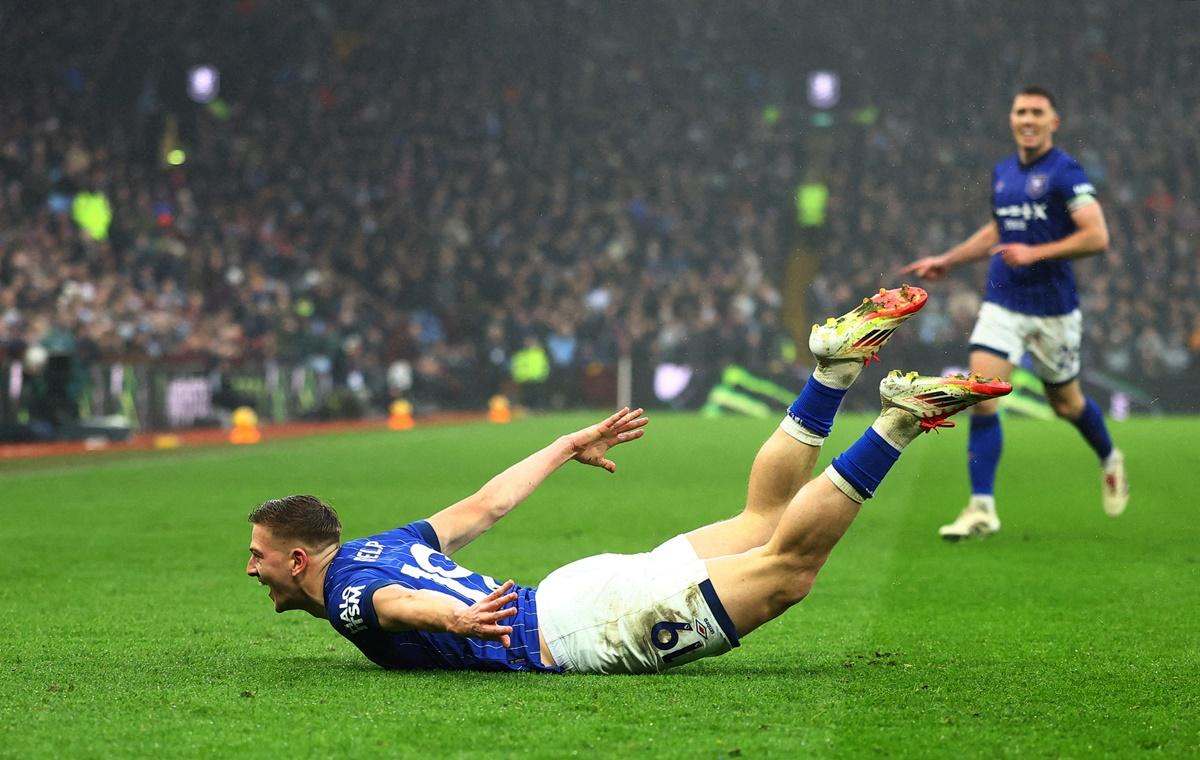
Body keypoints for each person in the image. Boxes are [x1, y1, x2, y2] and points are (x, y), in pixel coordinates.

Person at [246, 286, 1012, 674]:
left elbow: (387, 604)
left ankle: (898, 422)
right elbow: (487, 506)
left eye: (260, 553)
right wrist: (564, 443)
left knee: (788, 572)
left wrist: (449, 621)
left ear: (301, 557)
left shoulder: (344, 589)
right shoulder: (386, 542)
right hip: (575, 590)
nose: (252, 567)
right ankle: (833, 369)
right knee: (761, 522)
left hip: (576, 634)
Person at [901, 85, 1129, 540]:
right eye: (1020, 111)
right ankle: (981, 508)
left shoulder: (1065, 172)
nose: (1027, 119)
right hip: (1003, 301)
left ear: (1053, 122)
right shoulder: (1004, 172)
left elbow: (1097, 236)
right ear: (1011, 119)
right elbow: (997, 231)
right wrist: (949, 260)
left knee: (1066, 404)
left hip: (1053, 311)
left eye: (1037, 112)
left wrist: (1037, 252)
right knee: (982, 395)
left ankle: (1109, 456)